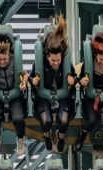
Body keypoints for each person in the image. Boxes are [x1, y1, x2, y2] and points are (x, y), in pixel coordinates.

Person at [31, 16, 77, 153]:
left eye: (58, 60)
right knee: (46, 120)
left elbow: (75, 76)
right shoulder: (40, 64)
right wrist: (32, 81)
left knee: (63, 120)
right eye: (53, 60)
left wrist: (73, 80)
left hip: (62, 96)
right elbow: (31, 76)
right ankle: (47, 136)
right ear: (47, 57)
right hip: (44, 96)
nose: (56, 63)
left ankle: (60, 137)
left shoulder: (65, 64)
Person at [0, 29, 28, 156]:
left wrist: (24, 83)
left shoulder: (15, 60)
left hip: (14, 96)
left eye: (4, 59)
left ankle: (20, 138)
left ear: (9, 55)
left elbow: (25, 74)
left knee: (19, 119)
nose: (2, 62)